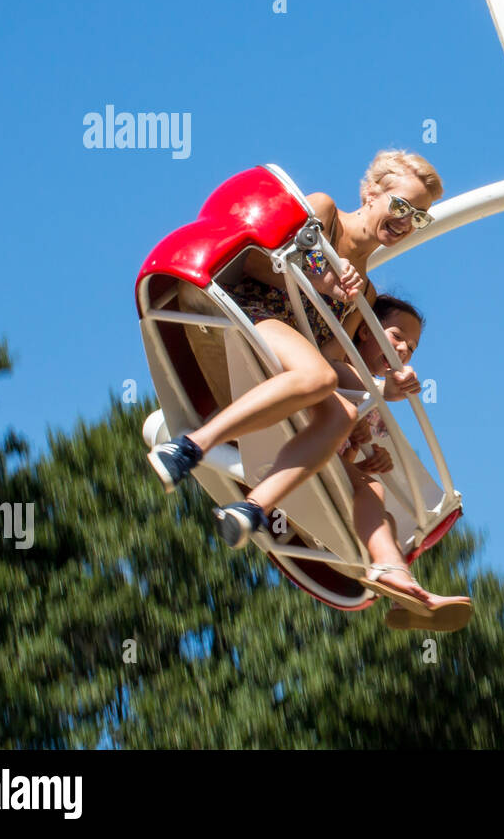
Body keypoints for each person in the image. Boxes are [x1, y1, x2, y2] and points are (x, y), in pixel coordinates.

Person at [146, 149, 442, 553]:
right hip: (252, 309)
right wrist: (322, 278)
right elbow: (256, 263)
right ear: (371, 193)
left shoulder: (365, 293)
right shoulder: (325, 212)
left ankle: (252, 508)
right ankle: (189, 446)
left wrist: (382, 389)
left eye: (419, 216)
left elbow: (332, 357)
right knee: (316, 377)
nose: (407, 221)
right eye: (402, 206)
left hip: (295, 352)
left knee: (343, 411)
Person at [327, 294, 473, 631]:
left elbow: (342, 455)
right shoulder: (337, 364)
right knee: (372, 491)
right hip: (303, 449)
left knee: (386, 517)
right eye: (396, 336)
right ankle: (391, 573)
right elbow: (345, 383)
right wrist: (384, 391)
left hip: (324, 462)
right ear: (364, 330)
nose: (404, 349)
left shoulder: (370, 393)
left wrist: (362, 462)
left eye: (412, 346)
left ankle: (404, 591)